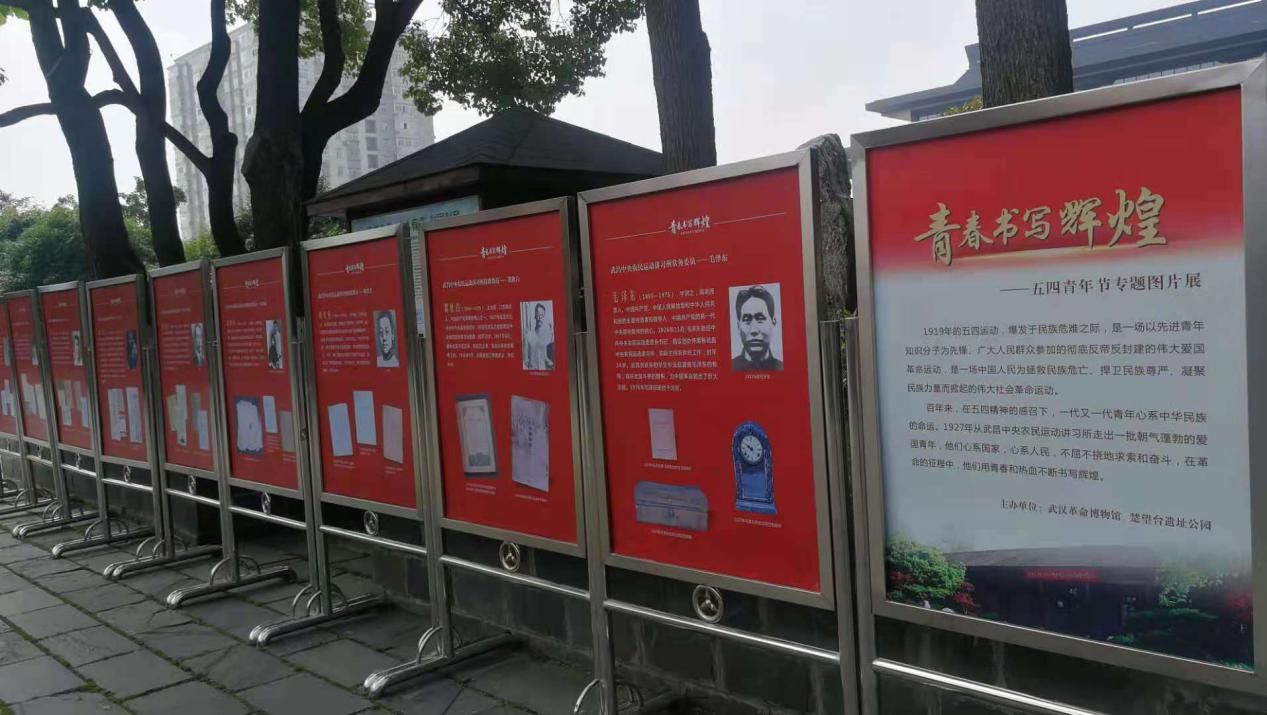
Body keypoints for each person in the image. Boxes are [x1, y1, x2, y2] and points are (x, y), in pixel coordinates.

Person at [732, 285, 783, 371]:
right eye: (747, 320)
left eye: (760, 319)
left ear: (773, 322)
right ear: (738, 326)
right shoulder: (731, 367)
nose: (754, 330)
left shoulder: (781, 368)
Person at [522, 302, 554, 371]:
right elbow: (525, 360)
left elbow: (546, 357)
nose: (539, 317)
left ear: (544, 316)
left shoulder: (547, 336)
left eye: (542, 315)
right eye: (537, 314)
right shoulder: (528, 336)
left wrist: (549, 362)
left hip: (545, 372)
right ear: (535, 316)